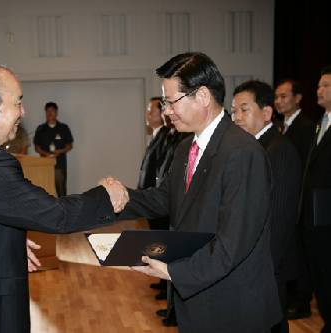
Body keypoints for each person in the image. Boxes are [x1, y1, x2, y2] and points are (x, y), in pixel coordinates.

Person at [0, 64, 126, 333]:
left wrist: (8, 240)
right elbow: (55, 214)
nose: (23, 112)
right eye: (17, 102)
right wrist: (105, 197)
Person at [103, 52, 281, 332]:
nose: (167, 111)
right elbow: (165, 198)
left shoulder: (242, 153)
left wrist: (173, 271)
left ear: (202, 96)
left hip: (233, 307)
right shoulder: (187, 147)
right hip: (198, 301)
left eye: (172, 102)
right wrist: (117, 197)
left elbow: (232, 246)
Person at [232, 80, 302, 333]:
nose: (236, 117)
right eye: (234, 110)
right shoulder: (253, 148)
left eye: (244, 109)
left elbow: (280, 218)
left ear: (267, 112)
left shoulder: (278, 150)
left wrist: (261, 269)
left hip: (268, 266)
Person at [274, 79, 316, 319]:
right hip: (287, 199)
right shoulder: (281, 126)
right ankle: (292, 297)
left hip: (300, 199)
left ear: (298, 98)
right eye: (277, 97)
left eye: (284, 96)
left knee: (301, 252)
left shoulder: (307, 126)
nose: (279, 101)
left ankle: (302, 300)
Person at [300, 65, 331, 333]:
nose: (318, 90)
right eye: (319, 85)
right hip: (314, 216)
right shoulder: (321, 121)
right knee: (319, 274)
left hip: (328, 217)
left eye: (325, 86)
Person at [33, 102, 73, 196]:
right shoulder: (40, 129)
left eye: (52, 111)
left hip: (59, 165)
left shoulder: (64, 128)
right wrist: (46, 154)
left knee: (61, 192)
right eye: (47, 111)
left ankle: (64, 210)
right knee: (45, 192)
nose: (50, 113)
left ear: (56, 112)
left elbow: (69, 146)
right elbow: (37, 148)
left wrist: (60, 151)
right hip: (44, 165)